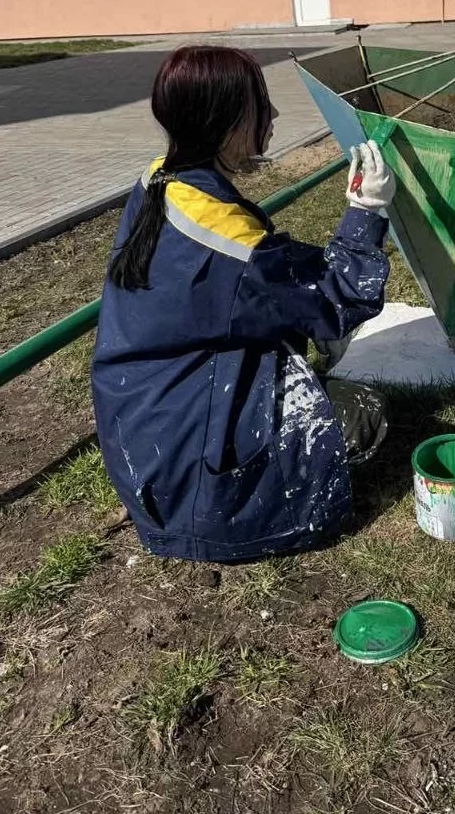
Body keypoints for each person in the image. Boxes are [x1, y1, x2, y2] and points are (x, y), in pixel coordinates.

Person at [91, 44, 395, 564]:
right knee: (362, 415)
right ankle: (237, 514)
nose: (273, 116)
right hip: (187, 477)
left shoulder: (163, 178)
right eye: (260, 105)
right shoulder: (227, 243)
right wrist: (367, 212)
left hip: (144, 429)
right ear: (225, 124)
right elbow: (337, 298)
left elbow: (266, 275)